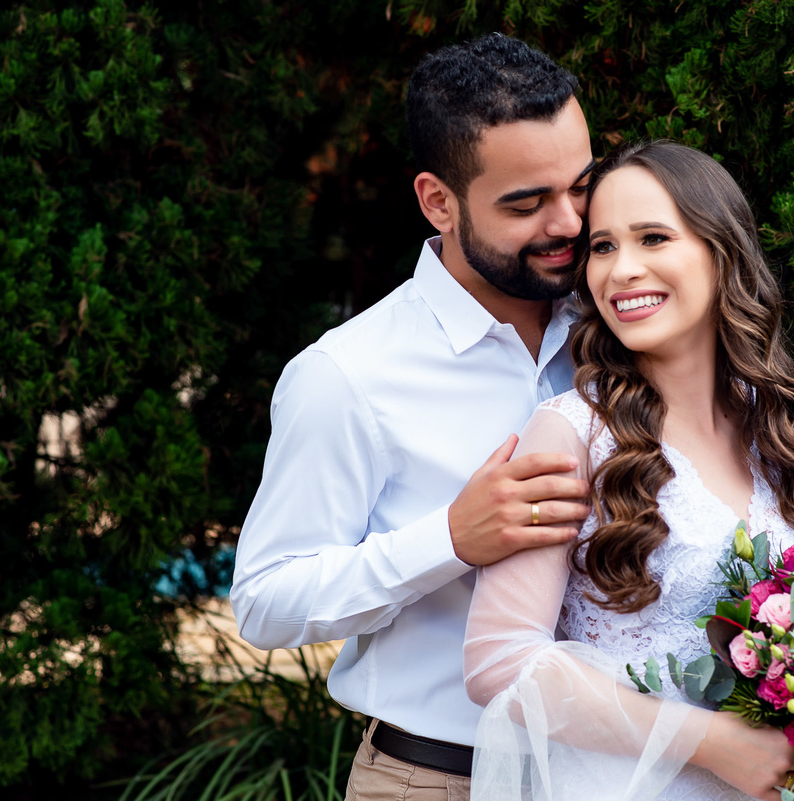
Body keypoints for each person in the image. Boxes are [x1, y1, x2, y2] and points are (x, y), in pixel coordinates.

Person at [230, 34, 596, 800]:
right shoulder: (348, 376)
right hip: (435, 779)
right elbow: (264, 600)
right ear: (438, 200)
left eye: (582, 186)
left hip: (624, 777)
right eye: (527, 202)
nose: (568, 222)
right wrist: (448, 540)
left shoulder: (621, 328)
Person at [463, 141, 794, 801]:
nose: (622, 271)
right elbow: (500, 660)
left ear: (720, 252)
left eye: (653, 238)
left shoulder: (779, 428)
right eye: (604, 246)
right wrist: (711, 742)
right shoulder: (572, 433)